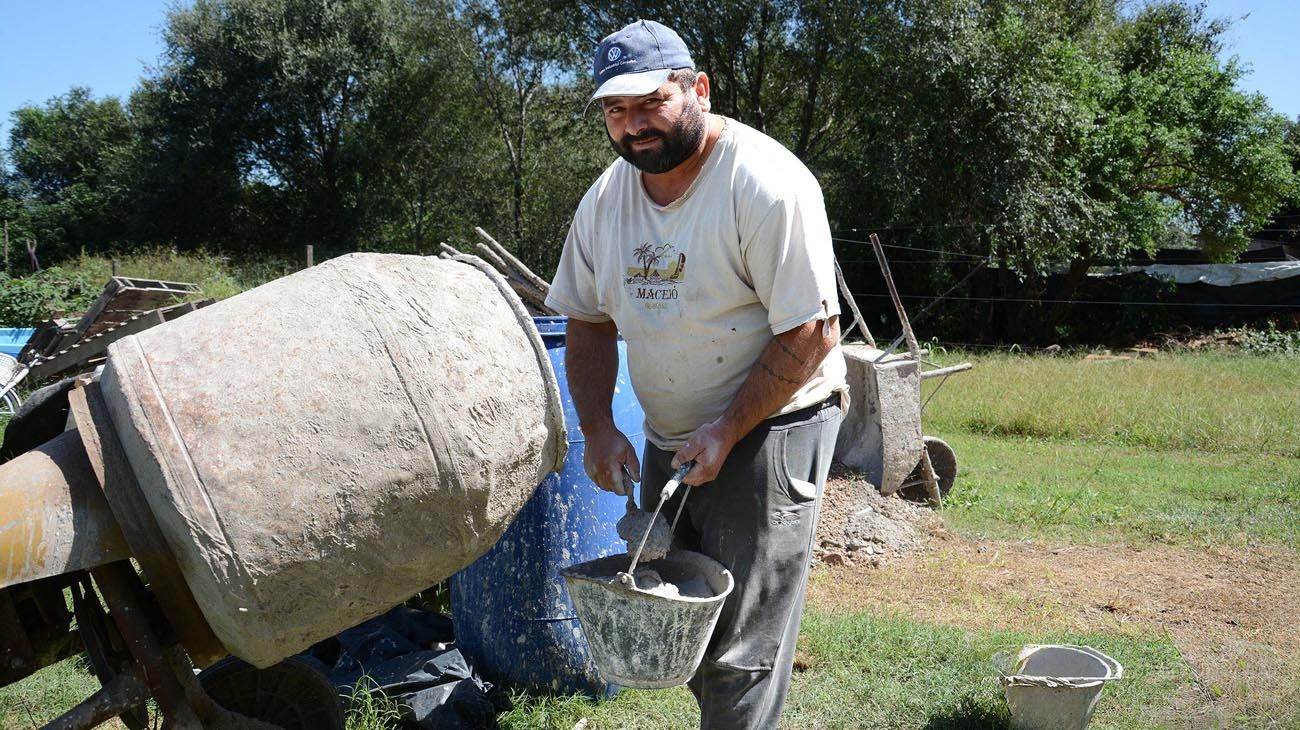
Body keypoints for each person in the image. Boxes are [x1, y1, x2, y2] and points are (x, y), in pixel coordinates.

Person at [545, 19, 848, 729]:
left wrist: (728, 429)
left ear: (698, 90)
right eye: (616, 110)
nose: (633, 125)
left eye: (651, 102)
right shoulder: (605, 202)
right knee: (688, 621)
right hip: (673, 434)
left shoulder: (765, 183)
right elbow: (587, 319)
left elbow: (813, 329)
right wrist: (598, 426)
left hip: (774, 422)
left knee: (743, 648)